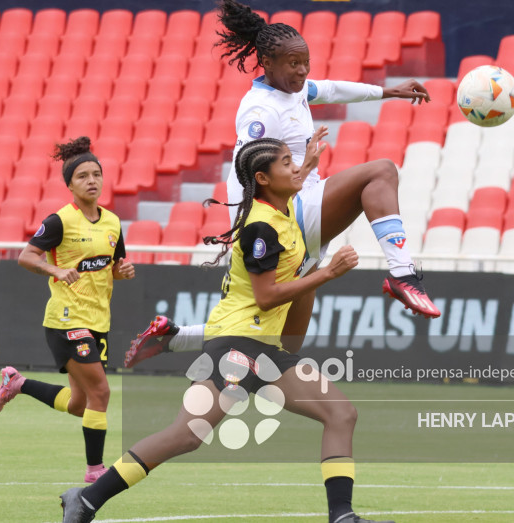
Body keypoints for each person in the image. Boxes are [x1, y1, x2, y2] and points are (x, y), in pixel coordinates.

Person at [60, 133, 394, 523]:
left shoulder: (282, 215)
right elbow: (267, 296)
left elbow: (292, 193)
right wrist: (328, 273)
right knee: (186, 435)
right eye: (286, 163)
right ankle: (85, 501)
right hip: (237, 346)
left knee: (341, 414)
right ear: (263, 178)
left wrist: (309, 165)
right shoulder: (261, 227)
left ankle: (342, 516)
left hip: (264, 349)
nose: (296, 167)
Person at [124, 0, 440, 368]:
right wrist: (251, 230)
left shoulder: (295, 89)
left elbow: (333, 90)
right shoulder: (262, 111)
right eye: (294, 63)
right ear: (268, 63)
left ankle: (174, 338)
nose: (303, 70)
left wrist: (389, 92)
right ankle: (403, 273)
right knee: (382, 171)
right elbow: (244, 169)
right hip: (284, 214)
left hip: (296, 221)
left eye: (306, 62)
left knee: (283, 349)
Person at [0, 136, 135, 484]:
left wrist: (121, 271)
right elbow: (26, 256)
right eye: (83, 175)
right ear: (69, 185)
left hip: (98, 320)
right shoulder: (60, 221)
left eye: (96, 174)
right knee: (101, 393)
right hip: (66, 319)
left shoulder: (113, 222)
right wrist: (55, 270)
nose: (92, 181)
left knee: (79, 404)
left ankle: (17, 383)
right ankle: (95, 471)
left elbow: (113, 265)